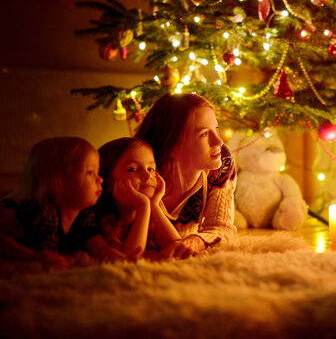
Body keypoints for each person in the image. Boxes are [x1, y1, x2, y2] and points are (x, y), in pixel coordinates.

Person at [0, 137, 126, 269]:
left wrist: (126, 260)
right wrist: (31, 256)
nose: (100, 179)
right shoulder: (34, 213)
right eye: (90, 172)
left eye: (98, 172)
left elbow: (101, 249)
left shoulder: (84, 217)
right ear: (57, 183)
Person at [135, 93, 236, 253]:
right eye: (204, 134)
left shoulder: (222, 161)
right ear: (172, 144)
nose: (218, 141)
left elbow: (221, 227)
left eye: (216, 129)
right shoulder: (142, 174)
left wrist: (198, 240)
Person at [97, 137, 194, 259]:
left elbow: (176, 246)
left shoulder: (150, 214)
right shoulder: (108, 222)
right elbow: (131, 256)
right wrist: (143, 205)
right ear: (108, 181)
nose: (148, 175)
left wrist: (153, 205)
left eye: (151, 169)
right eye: (133, 169)